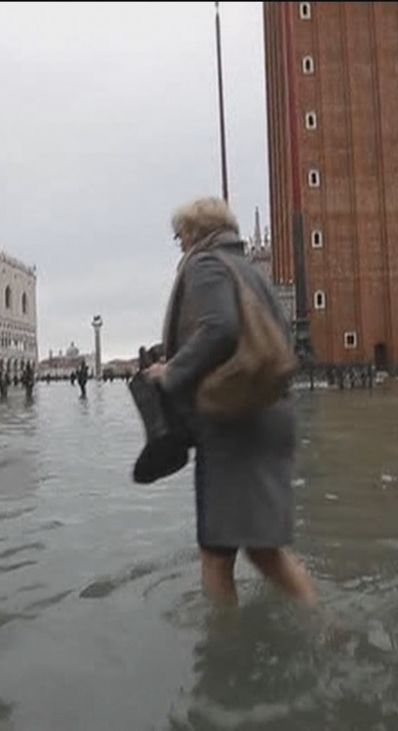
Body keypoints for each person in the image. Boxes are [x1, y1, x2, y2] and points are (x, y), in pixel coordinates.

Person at [144, 197, 318, 607]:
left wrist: (171, 371)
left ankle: (222, 642)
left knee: (216, 554)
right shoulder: (251, 272)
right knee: (263, 548)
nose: (179, 244)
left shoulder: (206, 264)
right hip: (271, 414)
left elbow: (219, 328)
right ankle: (324, 625)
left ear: (193, 233)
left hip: (232, 420)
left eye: (180, 236)